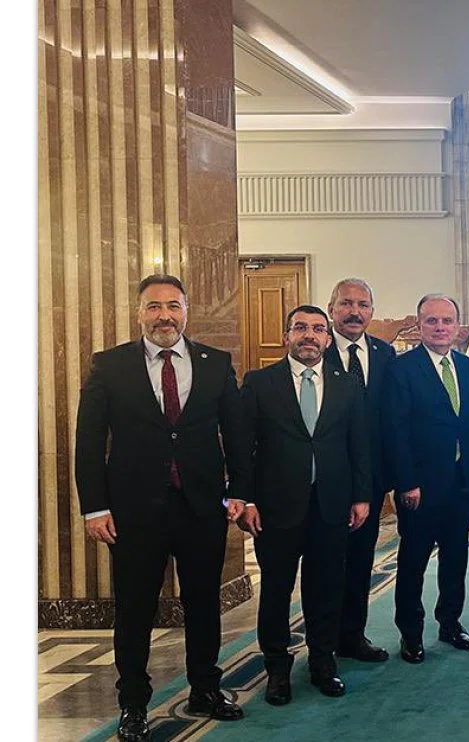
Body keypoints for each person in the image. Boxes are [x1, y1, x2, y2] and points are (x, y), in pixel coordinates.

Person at [75, 274, 250, 741]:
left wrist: (240, 491)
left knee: (203, 604)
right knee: (135, 610)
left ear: (187, 311)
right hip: (134, 512)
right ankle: (133, 704)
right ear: (139, 314)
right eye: (154, 307)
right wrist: (94, 508)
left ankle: (205, 688)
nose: (164, 316)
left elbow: (236, 434)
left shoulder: (215, 363)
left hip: (201, 508)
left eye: (173, 306)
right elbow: (88, 441)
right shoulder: (110, 366)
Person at [239, 305, 371, 705]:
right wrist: (246, 499)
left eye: (317, 329)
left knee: (326, 587)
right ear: (286, 336)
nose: (309, 335)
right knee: (276, 589)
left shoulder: (347, 384)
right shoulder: (260, 383)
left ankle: (322, 662)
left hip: (331, 504)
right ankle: (277, 669)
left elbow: (359, 444)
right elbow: (243, 447)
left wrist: (362, 496)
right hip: (276, 507)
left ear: (328, 339)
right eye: (300, 328)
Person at [383, 294, 469, 663]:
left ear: (458, 327)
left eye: (447, 321)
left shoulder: (468, 368)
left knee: (455, 558)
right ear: (419, 325)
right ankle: (411, 633)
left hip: (461, 482)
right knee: (414, 561)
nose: (441, 327)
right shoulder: (402, 369)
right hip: (420, 486)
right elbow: (396, 430)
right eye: (432, 321)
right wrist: (406, 482)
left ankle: (450, 622)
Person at [324, 278, 398, 664]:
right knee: (325, 563)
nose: (355, 312)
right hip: (325, 479)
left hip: (369, 479)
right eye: (346, 303)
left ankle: (353, 636)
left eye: (363, 305)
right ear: (331, 309)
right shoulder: (316, 352)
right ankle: (322, 642)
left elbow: (392, 419)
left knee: (360, 561)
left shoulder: (385, 353)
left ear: (371, 311)